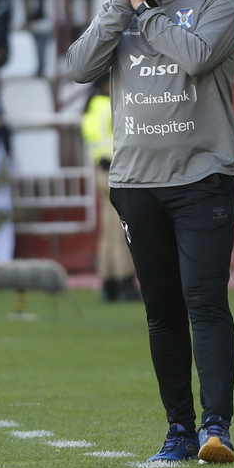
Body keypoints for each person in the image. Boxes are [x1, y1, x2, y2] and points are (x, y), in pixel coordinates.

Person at [67, 0, 234, 465]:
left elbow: (194, 58)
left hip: (200, 177)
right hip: (135, 181)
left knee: (204, 301)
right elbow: (78, 66)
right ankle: (178, 429)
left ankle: (216, 426)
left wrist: (143, 8)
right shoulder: (120, 6)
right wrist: (122, 6)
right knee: (161, 310)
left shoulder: (219, 1)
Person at [81, 75, 140, 303]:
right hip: (118, 171)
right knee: (121, 230)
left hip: (101, 170)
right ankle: (125, 281)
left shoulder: (92, 108)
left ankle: (109, 283)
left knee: (108, 231)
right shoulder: (112, 106)